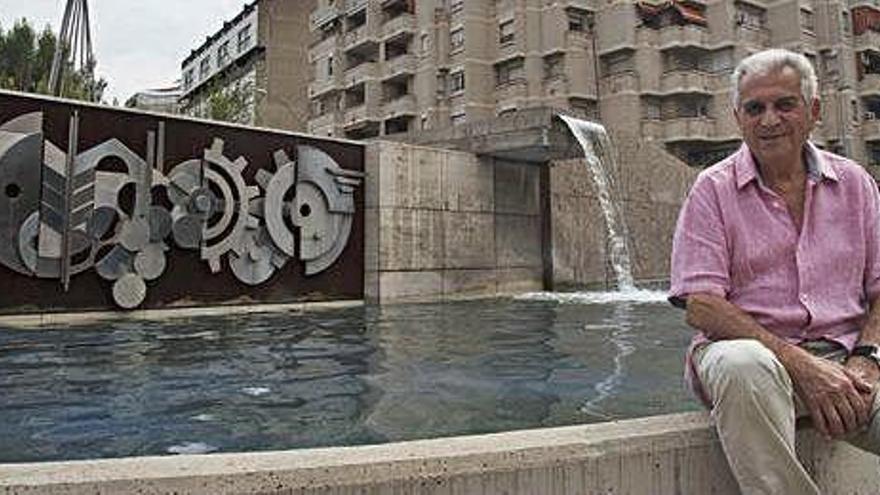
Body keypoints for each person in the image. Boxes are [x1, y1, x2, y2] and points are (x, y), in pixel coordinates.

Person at [669, 48, 880, 494]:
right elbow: (702, 306)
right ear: (738, 117)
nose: (769, 120)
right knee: (745, 366)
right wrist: (803, 366)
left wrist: (867, 358)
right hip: (751, 356)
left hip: (847, 361)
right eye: (755, 108)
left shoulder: (856, 184)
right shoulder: (712, 189)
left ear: (814, 111)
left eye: (784, 104)